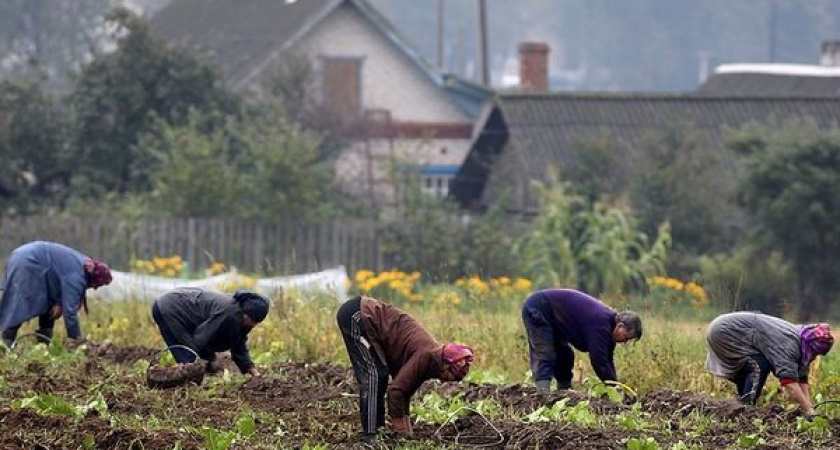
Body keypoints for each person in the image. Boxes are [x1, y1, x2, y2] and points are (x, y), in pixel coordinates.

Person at [336, 295, 474, 444]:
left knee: (379, 375)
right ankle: (370, 434)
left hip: (364, 317)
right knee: (374, 375)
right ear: (446, 364)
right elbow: (396, 392)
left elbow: (405, 391)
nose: (444, 381)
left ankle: (378, 431)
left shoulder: (431, 361)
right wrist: (402, 434)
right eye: (449, 377)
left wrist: (408, 432)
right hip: (358, 315)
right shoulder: (426, 356)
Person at [706, 311, 834, 416]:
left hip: (726, 328)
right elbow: (790, 383)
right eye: (815, 353)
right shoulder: (789, 344)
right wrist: (809, 410)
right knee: (760, 365)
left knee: (754, 365)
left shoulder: (802, 338)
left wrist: (808, 406)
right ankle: (746, 408)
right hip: (725, 331)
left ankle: (740, 403)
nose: (814, 357)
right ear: (810, 348)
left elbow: (801, 377)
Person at [521, 288, 642, 391]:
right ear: (620, 326)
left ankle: (563, 392)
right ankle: (542, 395)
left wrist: (615, 384)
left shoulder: (609, 328)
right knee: (545, 354)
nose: (625, 341)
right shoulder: (601, 323)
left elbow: (607, 360)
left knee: (565, 356)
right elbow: (599, 361)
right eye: (626, 337)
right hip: (540, 308)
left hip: (555, 321)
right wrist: (613, 387)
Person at [0, 241, 112, 347]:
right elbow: (70, 313)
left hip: (29, 258)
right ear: (95, 278)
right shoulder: (77, 277)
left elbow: (58, 275)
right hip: (29, 262)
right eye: (98, 284)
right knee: (20, 305)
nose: (96, 288)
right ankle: (6, 345)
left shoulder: (83, 264)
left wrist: (59, 302)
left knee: (49, 308)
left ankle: (43, 347)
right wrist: (77, 341)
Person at [151, 287, 269, 377]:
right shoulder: (229, 314)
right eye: (252, 320)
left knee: (195, 363)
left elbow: (239, 345)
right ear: (245, 311)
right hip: (170, 308)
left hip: (175, 307)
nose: (253, 324)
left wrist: (252, 371)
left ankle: (189, 382)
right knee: (191, 360)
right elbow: (201, 338)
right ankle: (176, 385)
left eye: (256, 322)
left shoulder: (244, 321)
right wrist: (211, 359)